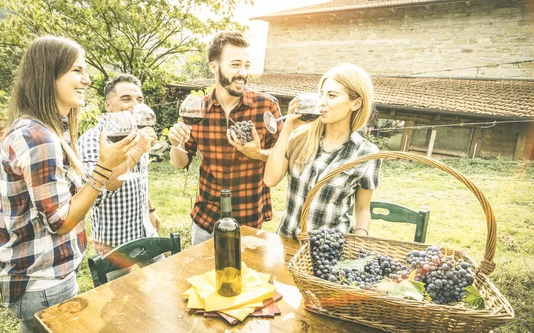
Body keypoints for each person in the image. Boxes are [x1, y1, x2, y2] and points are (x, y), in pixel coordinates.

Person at [0, 36, 139, 333]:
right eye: (76, 70)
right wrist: (102, 168)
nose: (86, 79)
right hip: (43, 283)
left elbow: (88, 193)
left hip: (51, 278)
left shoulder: (51, 129)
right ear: (49, 75)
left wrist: (119, 161)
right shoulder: (37, 137)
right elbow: (61, 221)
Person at [168, 31, 282, 245]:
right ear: (214, 66)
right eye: (235, 64)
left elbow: (285, 157)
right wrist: (176, 144)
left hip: (249, 219)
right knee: (202, 277)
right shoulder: (197, 110)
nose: (243, 73)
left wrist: (257, 153)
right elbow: (179, 163)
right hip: (207, 218)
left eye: (247, 65)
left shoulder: (266, 106)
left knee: (246, 278)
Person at [264, 63, 382, 239]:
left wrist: (360, 239)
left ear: (356, 103)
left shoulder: (366, 153)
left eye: (332, 96)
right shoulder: (299, 138)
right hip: (287, 242)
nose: (322, 102)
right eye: (321, 94)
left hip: (329, 250)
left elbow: (362, 208)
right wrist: (287, 130)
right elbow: (270, 179)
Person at [78, 74, 161, 265]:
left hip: (145, 232)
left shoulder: (137, 133)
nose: (135, 105)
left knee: (162, 285)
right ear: (108, 105)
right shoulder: (92, 140)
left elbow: (139, 177)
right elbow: (102, 189)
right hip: (114, 243)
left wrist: (150, 209)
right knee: (120, 294)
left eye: (139, 100)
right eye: (126, 99)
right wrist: (139, 150)